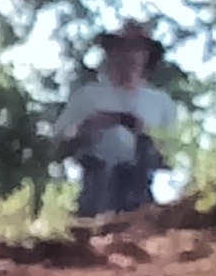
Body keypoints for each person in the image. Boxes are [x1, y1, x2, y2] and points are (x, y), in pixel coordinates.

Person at [53, 20, 177, 220]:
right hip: (95, 186)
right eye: (121, 48)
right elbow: (57, 149)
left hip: (139, 188)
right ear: (109, 53)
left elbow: (172, 159)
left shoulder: (161, 103)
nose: (129, 55)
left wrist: (144, 135)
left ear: (147, 55)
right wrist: (88, 128)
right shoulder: (87, 97)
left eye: (136, 49)